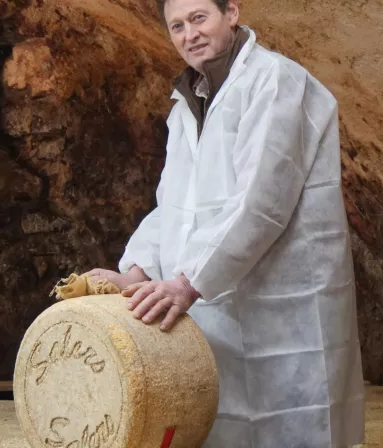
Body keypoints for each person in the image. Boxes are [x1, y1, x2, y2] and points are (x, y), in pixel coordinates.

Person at [85, 0, 364, 446]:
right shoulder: (187, 103)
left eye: (200, 18)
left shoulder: (275, 82)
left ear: (231, 13)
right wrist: (136, 272)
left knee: (290, 425)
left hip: (281, 307)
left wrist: (187, 282)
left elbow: (261, 201)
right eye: (177, 26)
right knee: (225, 424)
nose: (189, 34)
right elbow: (173, 205)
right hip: (214, 304)